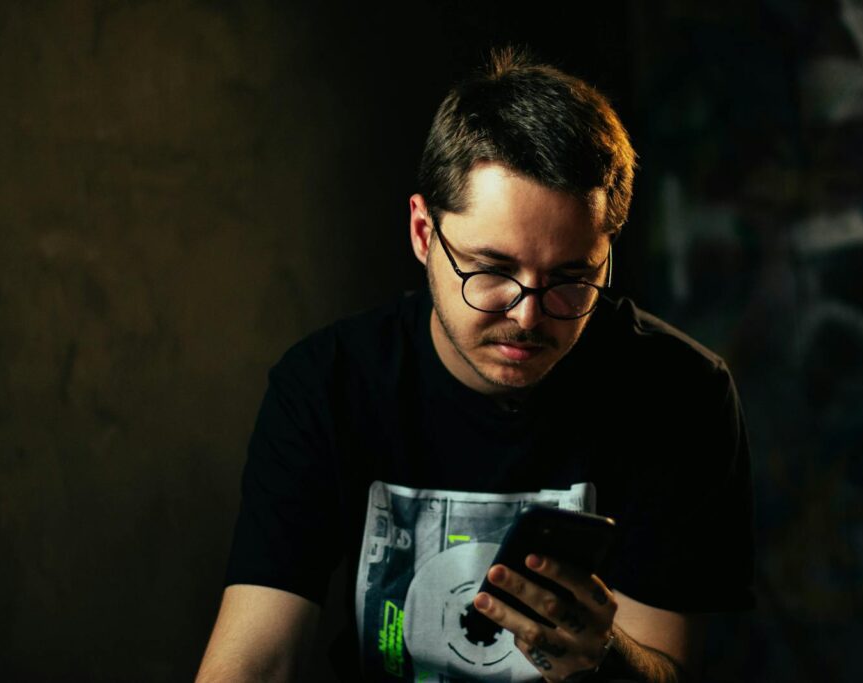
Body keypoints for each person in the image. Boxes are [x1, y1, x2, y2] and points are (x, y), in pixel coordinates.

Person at [196, 45, 755, 683]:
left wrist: (603, 661)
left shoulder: (682, 394)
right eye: (491, 269)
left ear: (607, 256)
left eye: (571, 278)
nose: (528, 314)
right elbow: (256, 658)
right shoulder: (327, 384)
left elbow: (669, 665)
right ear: (423, 233)